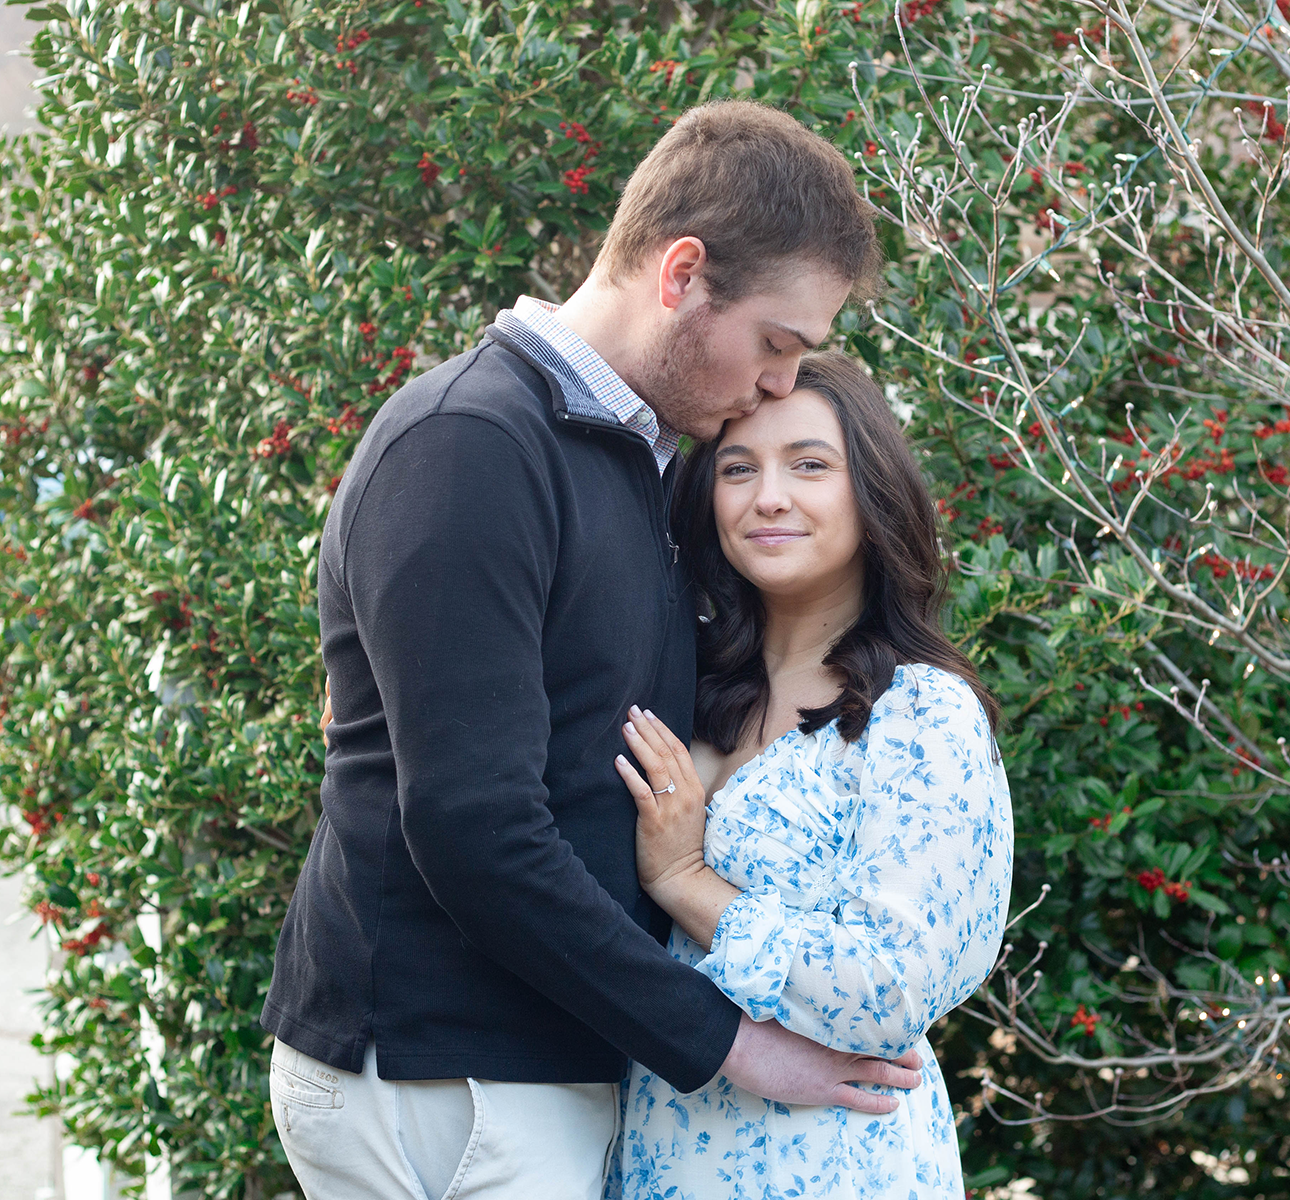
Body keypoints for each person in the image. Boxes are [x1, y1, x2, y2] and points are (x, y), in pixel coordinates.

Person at [260, 102, 927, 1200]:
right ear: (681, 275)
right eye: (774, 344)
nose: (776, 384)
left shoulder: (639, 461)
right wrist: (732, 1045)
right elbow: (474, 825)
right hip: (450, 1078)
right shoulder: (471, 447)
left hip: (538, 1069)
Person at [610, 352, 1014, 1198]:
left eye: (809, 465)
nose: (768, 497)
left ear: (872, 491)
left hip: (832, 1162)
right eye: (737, 468)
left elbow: (891, 989)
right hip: (653, 1151)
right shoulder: (679, 684)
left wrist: (687, 882)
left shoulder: (920, 714)